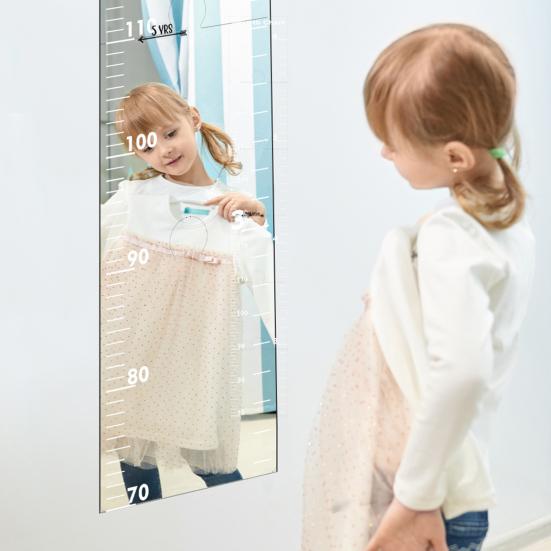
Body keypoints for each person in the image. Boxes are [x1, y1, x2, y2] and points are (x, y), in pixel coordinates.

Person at [302, 22, 536, 551]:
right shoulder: (503, 220)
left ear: (455, 156)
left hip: (429, 500)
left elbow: (462, 373)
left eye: (392, 142)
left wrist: (414, 499)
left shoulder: (454, 237)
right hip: (449, 487)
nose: (384, 153)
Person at [101, 82, 274, 505]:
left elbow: (272, 285)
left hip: (193, 364)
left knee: (209, 463)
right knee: (133, 451)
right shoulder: (132, 200)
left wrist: (257, 218)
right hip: (131, 353)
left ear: (192, 119)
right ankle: (146, 528)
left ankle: (249, 524)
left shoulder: (231, 215)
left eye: (170, 133)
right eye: (147, 145)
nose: (163, 150)